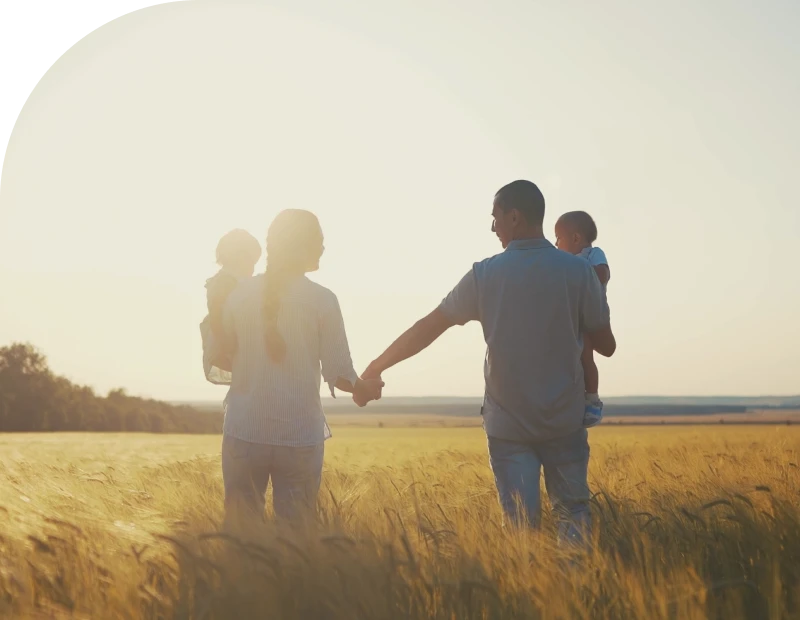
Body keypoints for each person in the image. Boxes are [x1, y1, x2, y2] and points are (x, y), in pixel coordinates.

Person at [361, 181, 616, 544]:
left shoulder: (485, 274)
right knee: (573, 514)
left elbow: (429, 327)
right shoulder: (578, 273)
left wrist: (377, 366)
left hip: (508, 425)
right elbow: (606, 346)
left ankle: (523, 596)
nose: (494, 227)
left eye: (495, 218)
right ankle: (576, 592)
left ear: (515, 217)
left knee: (518, 531)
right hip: (565, 420)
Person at [220, 209, 384, 525]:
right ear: (302, 246)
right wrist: (364, 389)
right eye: (318, 241)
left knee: (240, 535)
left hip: (244, 431)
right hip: (298, 436)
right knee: (296, 537)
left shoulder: (238, 295)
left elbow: (220, 357)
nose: (323, 248)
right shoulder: (321, 300)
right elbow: (339, 372)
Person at [554, 211, 611, 428]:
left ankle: (593, 399)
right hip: (572, 317)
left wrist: (579, 277)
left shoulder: (593, 254)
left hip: (592, 315)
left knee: (586, 356)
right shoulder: (564, 262)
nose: (556, 243)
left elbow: (602, 274)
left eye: (559, 238)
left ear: (576, 238)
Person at [200, 229, 262, 385]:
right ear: (237, 258)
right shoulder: (225, 282)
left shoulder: (235, 280)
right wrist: (224, 343)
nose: (252, 267)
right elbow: (216, 315)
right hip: (226, 336)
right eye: (250, 261)